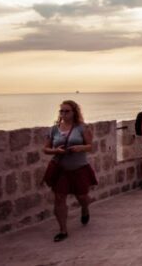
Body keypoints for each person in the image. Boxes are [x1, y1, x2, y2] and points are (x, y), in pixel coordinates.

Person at [42, 100, 97, 242]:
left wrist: (80, 148)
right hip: (61, 169)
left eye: (67, 111)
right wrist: (56, 150)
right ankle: (63, 230)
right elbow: (45, 149)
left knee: (82, 197)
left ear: (74, 112)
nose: (64, 114)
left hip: (79, 168)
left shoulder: (82, 128)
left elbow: (90, 146)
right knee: (59, 198)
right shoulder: (54, 129)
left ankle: (85, 209)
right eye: (61, 111)